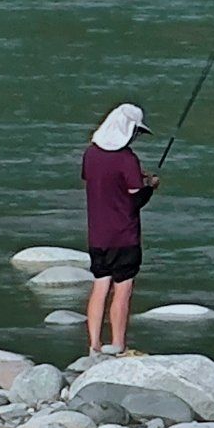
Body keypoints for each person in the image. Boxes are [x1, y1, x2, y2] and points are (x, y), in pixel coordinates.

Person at [81, 103, 158, 357]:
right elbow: (134, 200)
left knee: (100, 286)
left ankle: (94, 345)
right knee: (123, 289)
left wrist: (136, 176)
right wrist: (150, 187)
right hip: (124, 236)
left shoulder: (90, 155)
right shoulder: (128, 159)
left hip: (97, 235)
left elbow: (103, 182)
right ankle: (118, 344)